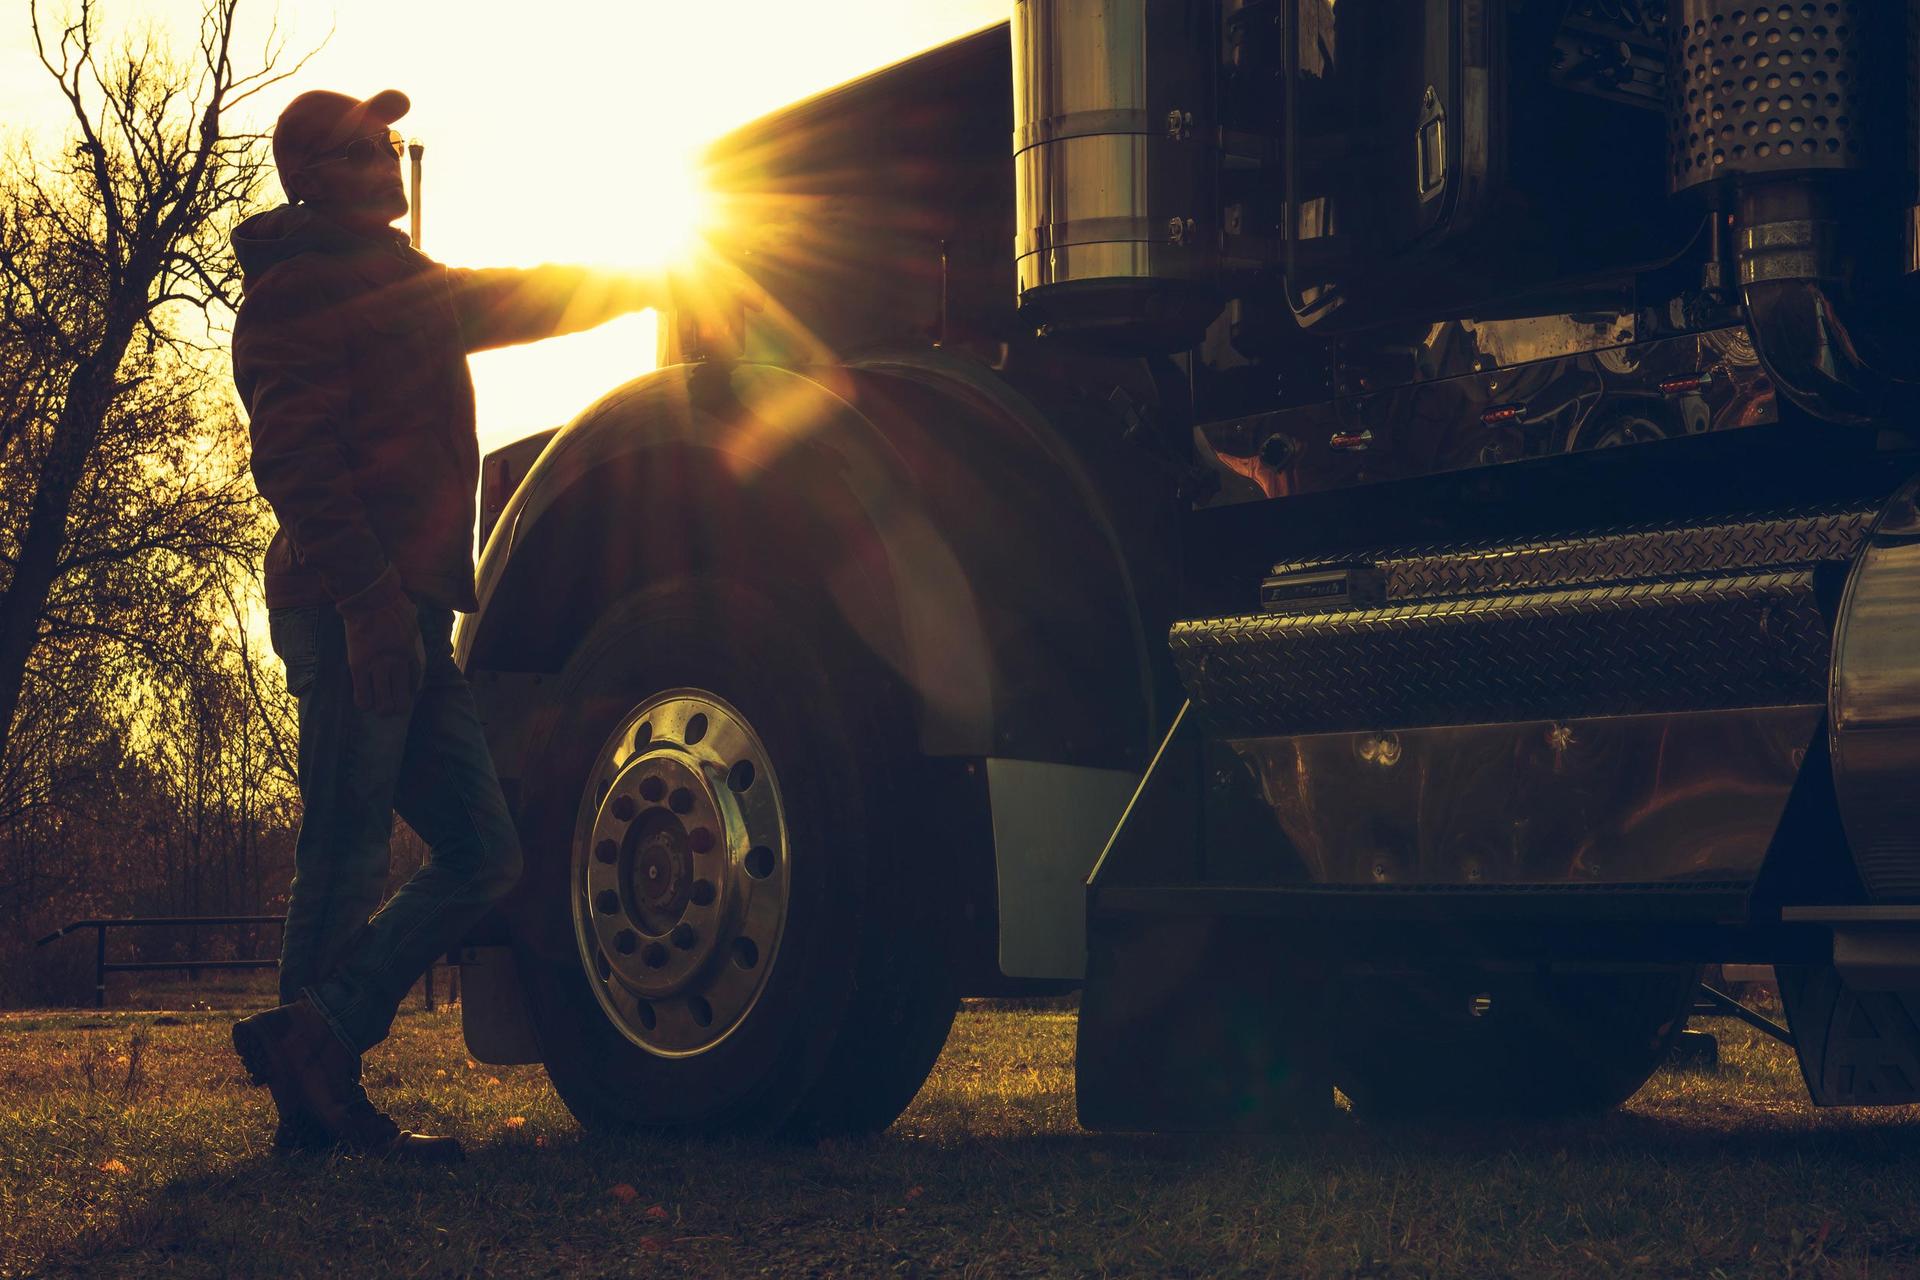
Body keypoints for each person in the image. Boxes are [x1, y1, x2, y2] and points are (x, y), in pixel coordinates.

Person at [227, 87, 710, 1162]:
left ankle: (317, 1037)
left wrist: (661, 271)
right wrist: (363, 607)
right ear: (309, 175)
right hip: (354, 607)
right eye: (361, 146)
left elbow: (530, 297)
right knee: (345, 849)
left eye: (389, 139)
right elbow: (294, 466)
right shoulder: (298, 293)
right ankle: (315, 1099)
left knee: (488, 851)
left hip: (415, 611)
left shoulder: (405, 285)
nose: (385, 156)